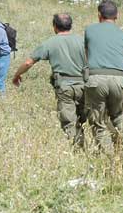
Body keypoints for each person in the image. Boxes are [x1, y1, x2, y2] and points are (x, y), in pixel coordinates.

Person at [12, 13, 87, 148]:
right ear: (71, 25)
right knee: (84, 119)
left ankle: (78, 149)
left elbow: (29, 63)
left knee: (69, 121)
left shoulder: (50, 42)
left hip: (64, 87)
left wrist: (16, 75)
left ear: (54, 26)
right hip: (84, 85)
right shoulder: (82, 41)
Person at [84, 0, 123, 156]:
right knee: (118, 116)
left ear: (99, 15)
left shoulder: (90, 30)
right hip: (119, 80)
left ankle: (108, 158)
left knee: (98, 122)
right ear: (117, 16)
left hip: (96, 79)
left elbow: (86, 59)